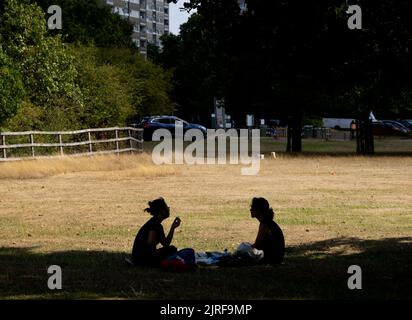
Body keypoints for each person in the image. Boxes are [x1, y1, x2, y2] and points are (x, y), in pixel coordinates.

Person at [131, 198, 181, 267]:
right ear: (161, 211)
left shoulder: (156, 223)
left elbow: (165, 244)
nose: (168, 208)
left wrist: (173, 228)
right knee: (171, 251)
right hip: (142, 259)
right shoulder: (154, 224)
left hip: (141, 257)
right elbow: (150, 242)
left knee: (172, 249)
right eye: (166, 207)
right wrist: (157, 257)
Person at [250, 197, 285, 265]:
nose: (250, 210)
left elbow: (257, 245)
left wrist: (244, 249)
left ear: (259, 210)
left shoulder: (265, 225)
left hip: (271, 260)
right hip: (275, 258)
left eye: (253, 208)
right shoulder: (267, 222)